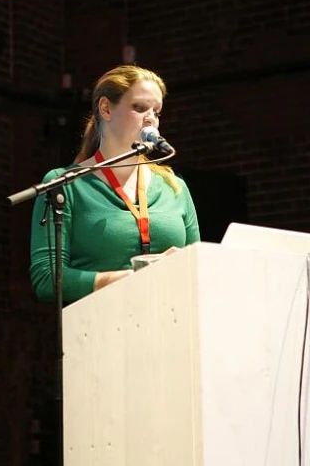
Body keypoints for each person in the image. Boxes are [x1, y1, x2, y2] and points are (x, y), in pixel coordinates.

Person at [30, 64, 200, 304]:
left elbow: (198, 270)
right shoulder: (64, 184)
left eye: (157, 112)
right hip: (99, 329)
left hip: (170, 326)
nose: (151, 119)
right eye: (139, 108)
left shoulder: (174, 187)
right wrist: (129, 279)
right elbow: (47, 279)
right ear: (106, 109)